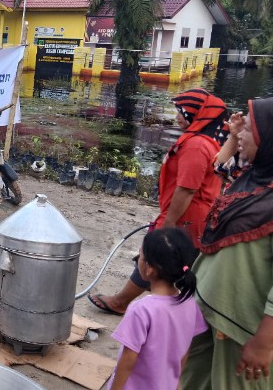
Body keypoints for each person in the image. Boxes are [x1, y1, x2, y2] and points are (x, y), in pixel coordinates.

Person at [171, 97, 273, 390]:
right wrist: (232, 136)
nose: (241, 132)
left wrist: (265, 341)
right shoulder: (254, 176)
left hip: (244, 319)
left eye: (251, 128)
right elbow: (217, 167)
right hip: (212, 301)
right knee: (197, 366)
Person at [89, 88, 227, 315]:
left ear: (196, 113)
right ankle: (133, 303)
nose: (177, 117)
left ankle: (126, 303)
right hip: (190, 217)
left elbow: (187, 189)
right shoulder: (204, 141)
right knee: (168, 261)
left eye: (182, 112)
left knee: (156, 258)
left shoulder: (196, 146)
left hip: (185, 217)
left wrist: (168, 224)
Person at [101, 228, 207, 390]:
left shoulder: (142, 310)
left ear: (149, 268)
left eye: (140, 256)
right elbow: (185, 347)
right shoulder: (188, 303)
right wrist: (177, 379)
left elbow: (129, 358)